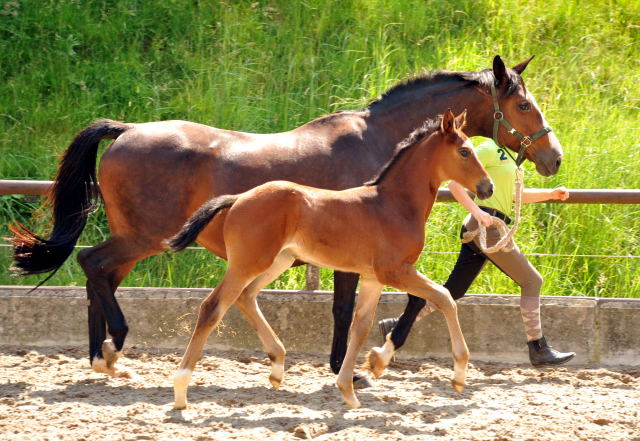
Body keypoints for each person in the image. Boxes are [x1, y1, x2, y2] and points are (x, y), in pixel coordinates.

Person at [378, 138, 575, 367]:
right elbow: (455, 185)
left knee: (453, 291)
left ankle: (395, 327)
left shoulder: (511, 158)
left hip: (486, 226)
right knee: (532, 281)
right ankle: (538, 349)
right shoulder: (490, 149)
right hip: (486, 227)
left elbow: (511, 196)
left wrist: (550, 194)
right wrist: (478, 213)